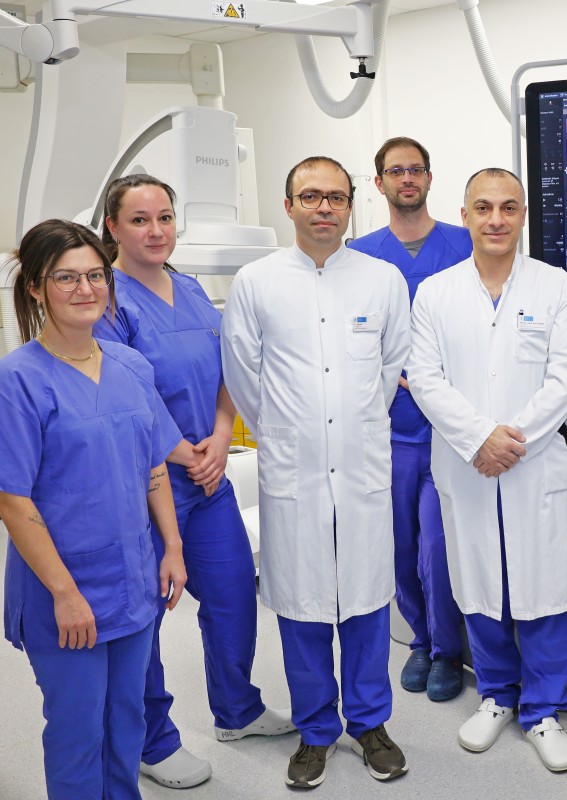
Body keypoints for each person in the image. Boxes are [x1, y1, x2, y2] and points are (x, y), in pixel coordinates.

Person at [0, 219, 187, 799]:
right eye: (66, 278)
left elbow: (153, 466)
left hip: (134, 577)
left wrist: (171, 547)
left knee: (127, 723)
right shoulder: (15, 381)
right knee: (77, 731)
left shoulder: (130, 367)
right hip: (63, 588)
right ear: (36, 288)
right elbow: (12, 501)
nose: (86, 289)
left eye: (95, 275)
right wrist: (66, 594)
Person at [95, 174, 295, 789]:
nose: (156, 231)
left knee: (235, 595)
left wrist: (220, 431)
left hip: (208, 477)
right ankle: (151, 741)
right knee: (146, 618)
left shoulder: (189, 288)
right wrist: (184, 452)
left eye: (165, 218)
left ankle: (237, 709)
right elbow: (126, 392)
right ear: (113, 228)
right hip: (149, 482)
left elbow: (229, 366)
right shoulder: (109, 300)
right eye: (139, 220)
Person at [221, 155, 411, 790]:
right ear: (288, 205)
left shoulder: (382, 278)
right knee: (301, 606)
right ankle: (315, 730)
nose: (323, 207)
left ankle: (370, 723)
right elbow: (246, 378)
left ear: (350, 204)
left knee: (364, 601)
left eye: (334, 197)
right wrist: (292, 434)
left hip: (360, 467)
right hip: (293, 471)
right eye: (310, 196)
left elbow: (389, 369)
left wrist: (347, 425)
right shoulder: (256, 280)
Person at [408, 167, 567, 773]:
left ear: (522, 216)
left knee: (544, 583)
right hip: (466, 464)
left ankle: (542, 709)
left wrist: (511, 440)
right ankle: (496, 696)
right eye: (483, 207)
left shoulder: (557, 288)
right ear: (465, 215)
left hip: (534, 465)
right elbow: (425, 379)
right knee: (479, 578)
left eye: (508, 208)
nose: (495, 219)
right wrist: (477, 438)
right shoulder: (435, 292)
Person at [348, 137, 472, 702]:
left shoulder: (466, 243)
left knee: (438, 548)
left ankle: (448, 649)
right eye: (395, 171)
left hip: (449, 430)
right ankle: (420, 639)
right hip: (390, 430)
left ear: (428, 177)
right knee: (400, 546)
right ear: (379, 183)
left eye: (415, 169)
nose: (406, 179)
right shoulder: (361, 257)